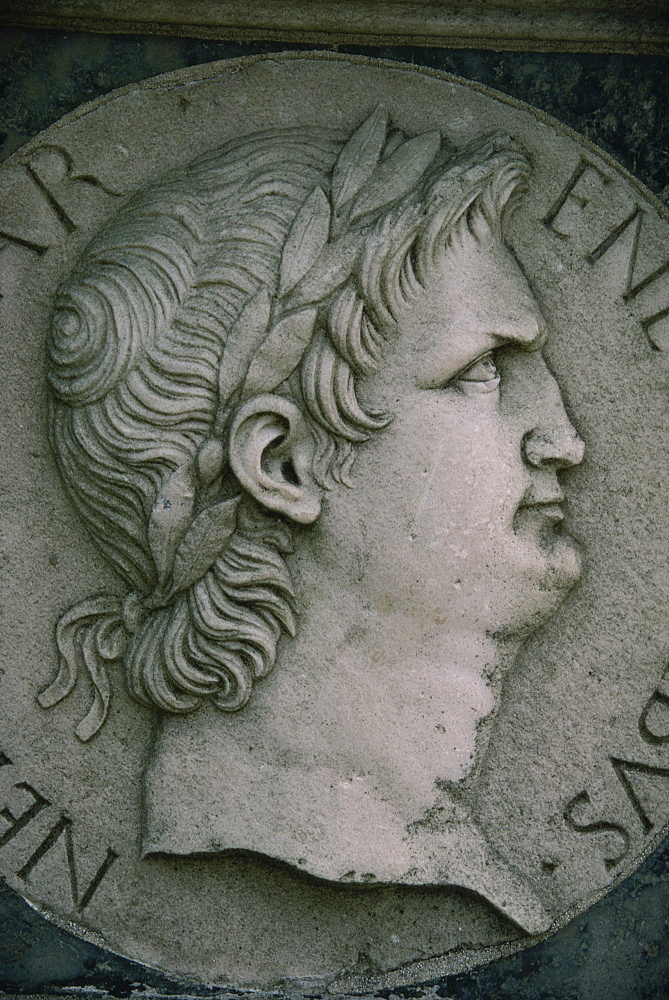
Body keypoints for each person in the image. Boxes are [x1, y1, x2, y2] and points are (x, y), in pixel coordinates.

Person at [41, 111, 584, 933]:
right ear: (281, 464)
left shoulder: (425, 845)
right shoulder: (263, 835)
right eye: (482, 371)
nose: (565, 440)